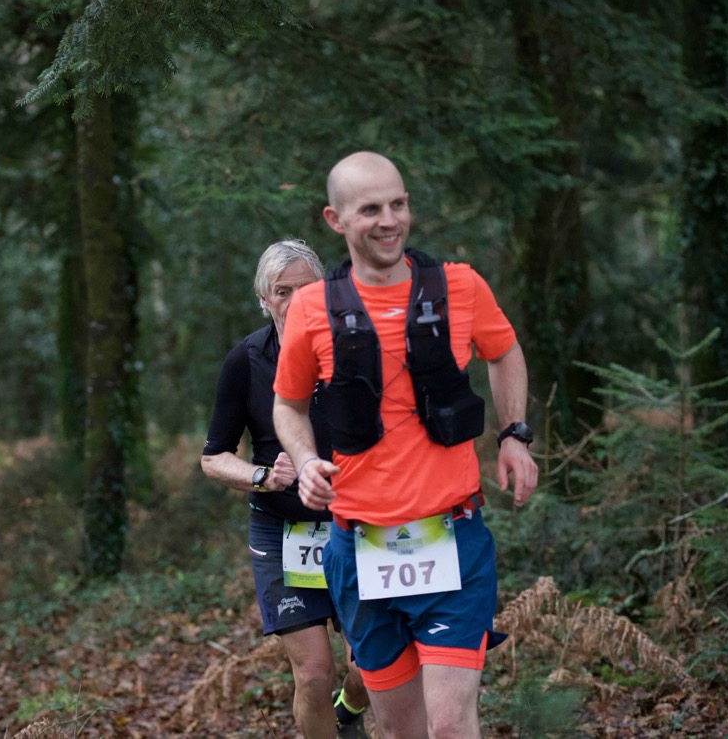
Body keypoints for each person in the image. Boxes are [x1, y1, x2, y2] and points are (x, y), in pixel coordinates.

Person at [272, 152, 539, 739]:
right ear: (336, 219)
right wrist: (308, 460)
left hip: (451, 536)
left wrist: (514, 434)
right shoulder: (313, 308)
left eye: (398, 204)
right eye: (371, 209)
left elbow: (504, 352)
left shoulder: (460, 286)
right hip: (359, 547)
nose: (389, 220)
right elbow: (287, 405)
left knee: (449, 725)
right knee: (400, 731)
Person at [201, 239, 370, 739]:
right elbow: (213, 457)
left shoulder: (357, 349)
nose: (295, 301)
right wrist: (261, 476)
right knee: (314, 675)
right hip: (282, 530)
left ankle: (348, 712)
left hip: (356, 525)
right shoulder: (246, 360)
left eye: (306, 288)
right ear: (264, 299)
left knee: (370, 668)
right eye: (282, 291)